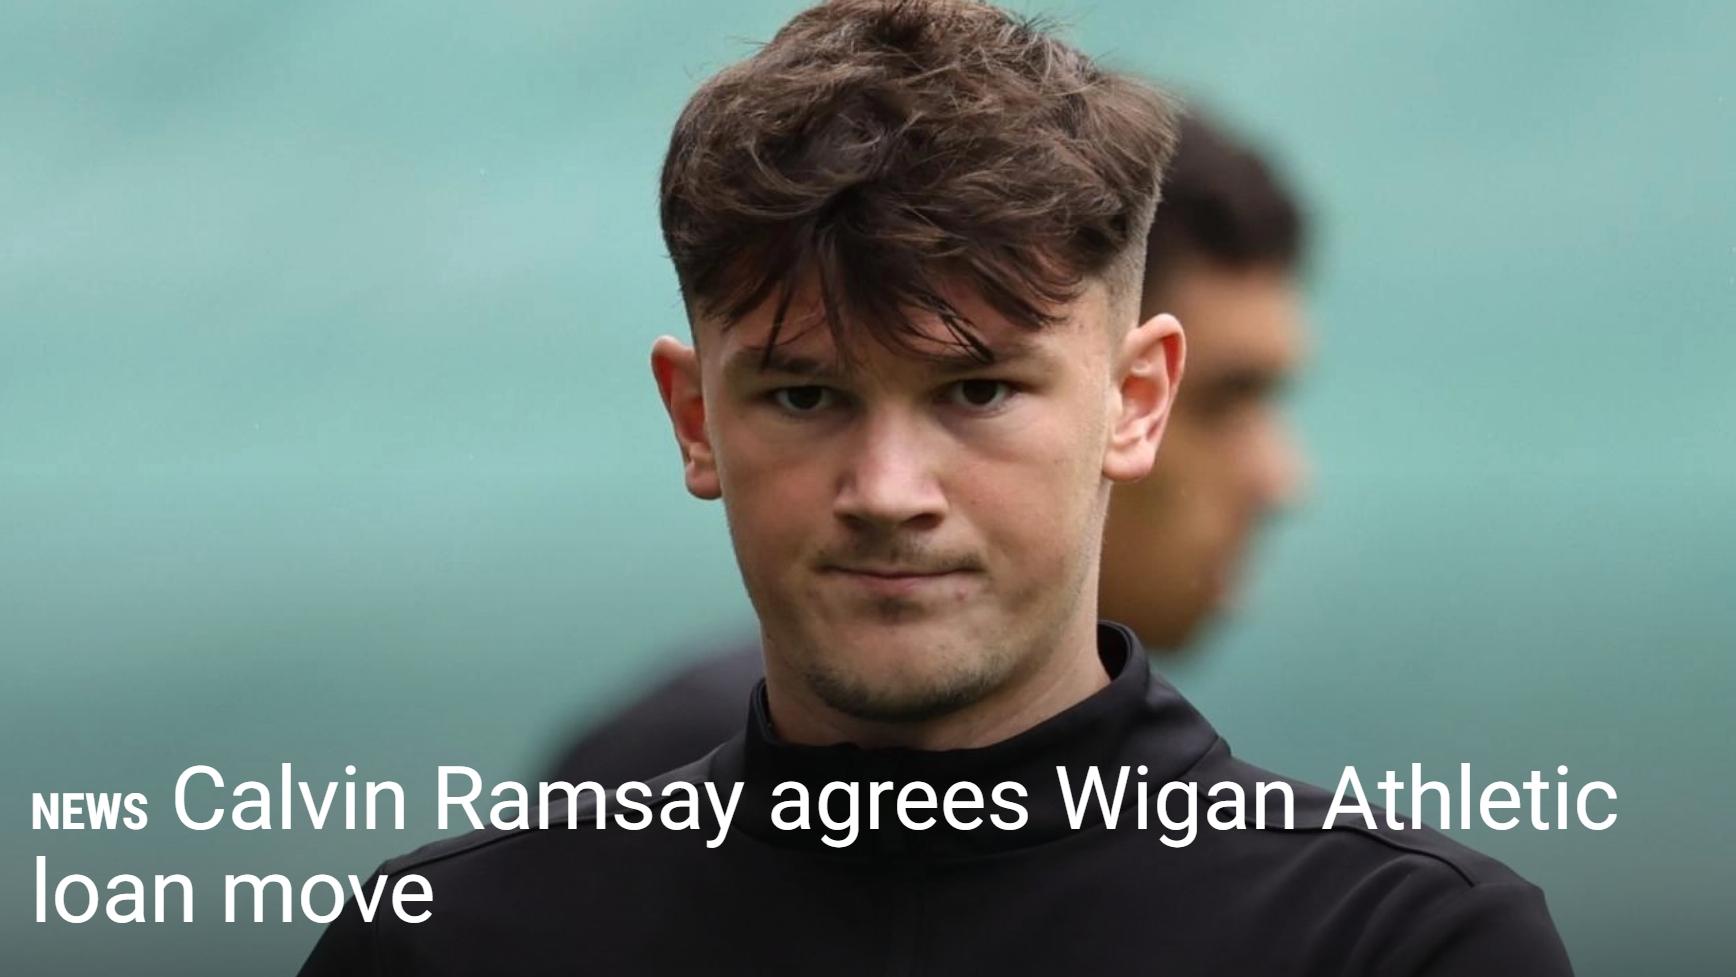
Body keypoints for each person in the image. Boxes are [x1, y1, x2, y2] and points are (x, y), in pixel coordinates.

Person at [299, 2, 1572, 973]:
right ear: (694, 419)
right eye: (806, 395)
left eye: (976, 391)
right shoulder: (451, 944)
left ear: (1135, 399)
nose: (887, 490)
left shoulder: (1395, 947)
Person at [545, 109, 1311, 785]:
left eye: (977, 391)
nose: (1281, 480)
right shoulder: (673, 769)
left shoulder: (1315, 877)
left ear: (1134, 399)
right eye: (1227, 400)